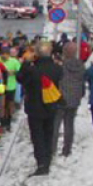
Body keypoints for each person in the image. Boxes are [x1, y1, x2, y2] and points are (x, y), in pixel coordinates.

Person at [19, 42, 62, 176]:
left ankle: (42, 164)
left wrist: (26, 63)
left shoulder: (32, 69)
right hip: (51, 106)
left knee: (37, 136)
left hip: (34, 107)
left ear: (36, 54)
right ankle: (47, 160)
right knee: (48, 134)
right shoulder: (57, 69)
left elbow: (20, 79)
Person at [55, 42, 85, 157]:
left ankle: (52, 148)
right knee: (69, 125)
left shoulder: (61, 66)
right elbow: (82, 80)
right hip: (74, 98)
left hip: (61, 98)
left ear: (65, 52)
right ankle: (67, 149)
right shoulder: (80, 65)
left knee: (56, 125)